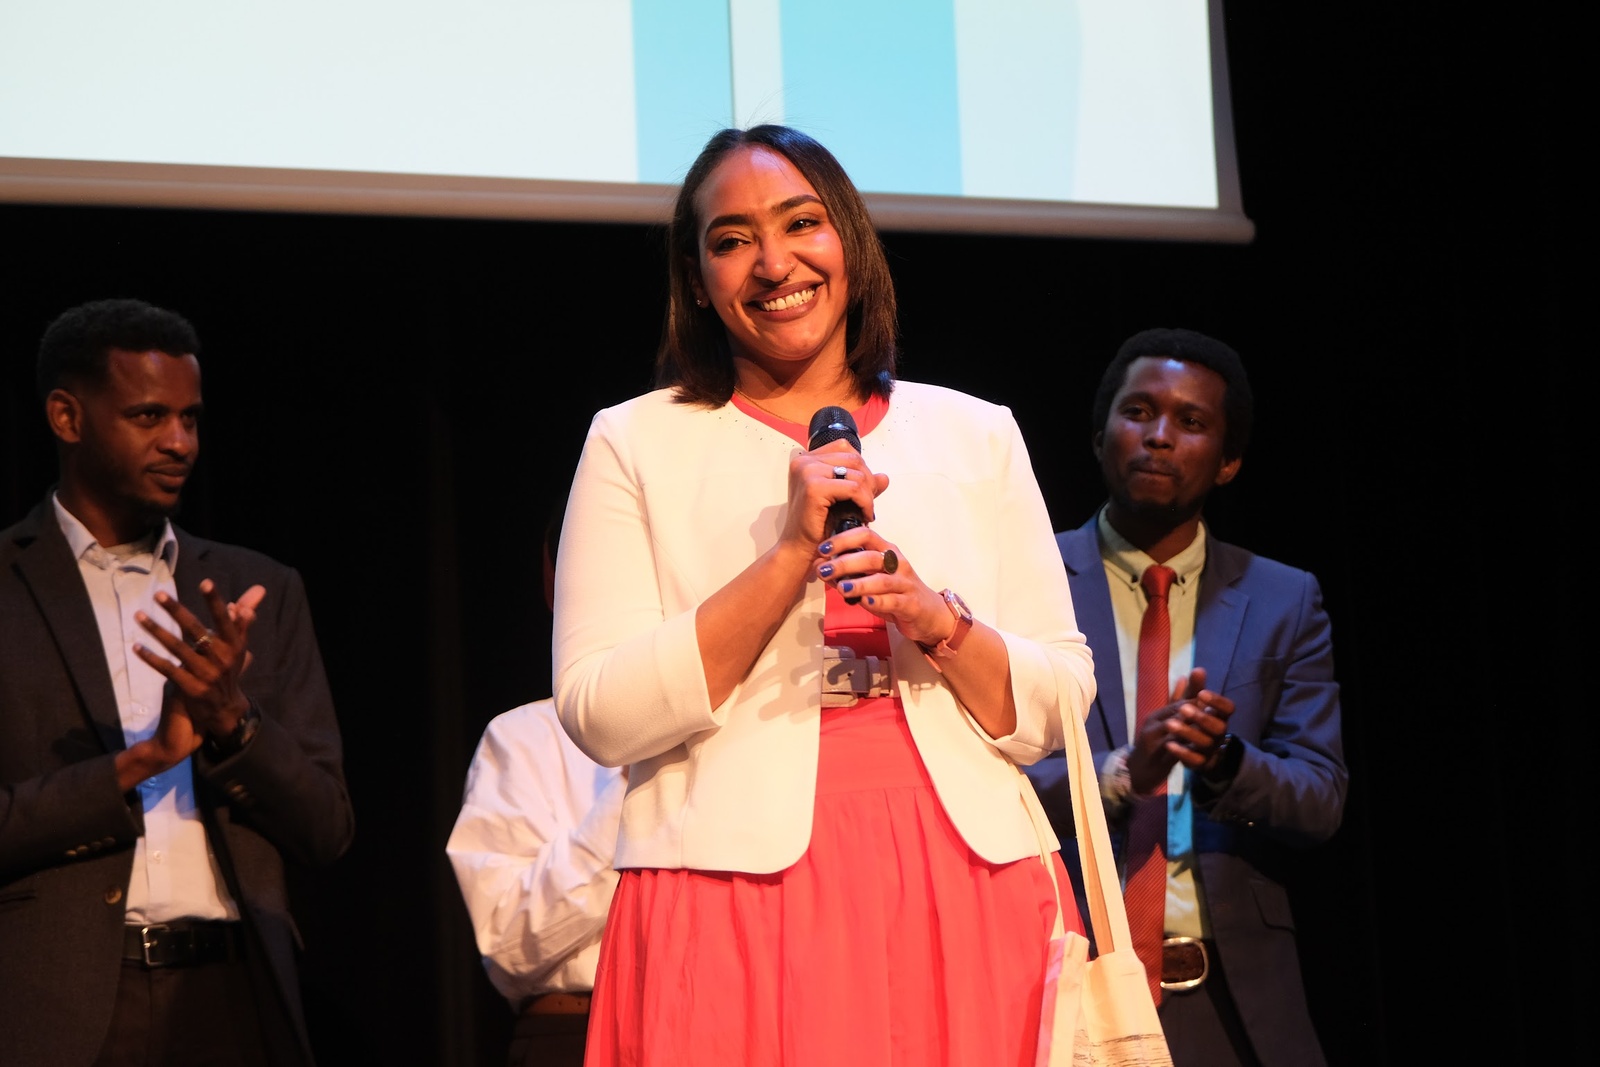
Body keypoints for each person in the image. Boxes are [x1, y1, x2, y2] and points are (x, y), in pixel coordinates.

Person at [551, 124, 1097, 1066]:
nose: (773, 263)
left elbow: (1061, 701)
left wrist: (939, 619)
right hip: (728, 892)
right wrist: (783, 559)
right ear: (696, 280)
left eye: (802, 222)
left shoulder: (976, 434)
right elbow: (600, 711)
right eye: (730, 240)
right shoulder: (633, 442)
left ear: (849, 241)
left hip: (969, 874)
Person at [0, 298, 356, 1067]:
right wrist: (141, 760)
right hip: (60, 1008)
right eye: (149, 415)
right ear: (67, 417)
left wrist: (235, 723)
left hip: (232, 997)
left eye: (191, 418)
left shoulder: (258, 587)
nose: (180, 442)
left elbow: (326, 826)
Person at [1023, 328, 1347, 1067]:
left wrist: (1227, 761)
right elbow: (980, 784)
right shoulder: (1030, 576)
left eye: (1192, 422)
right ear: (1101, 432)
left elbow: (1322, 796)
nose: (1160, 436)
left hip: (1231, 1001)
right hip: (1068, 983)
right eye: (1139, 412)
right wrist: (1120, 773)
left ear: (1229, 462)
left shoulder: (1283, 598)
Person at [447, 513, 625, 1067]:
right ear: (556, 580)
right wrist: (639, 785)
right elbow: (510, 945)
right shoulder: (521, 738)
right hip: (573, 1034)